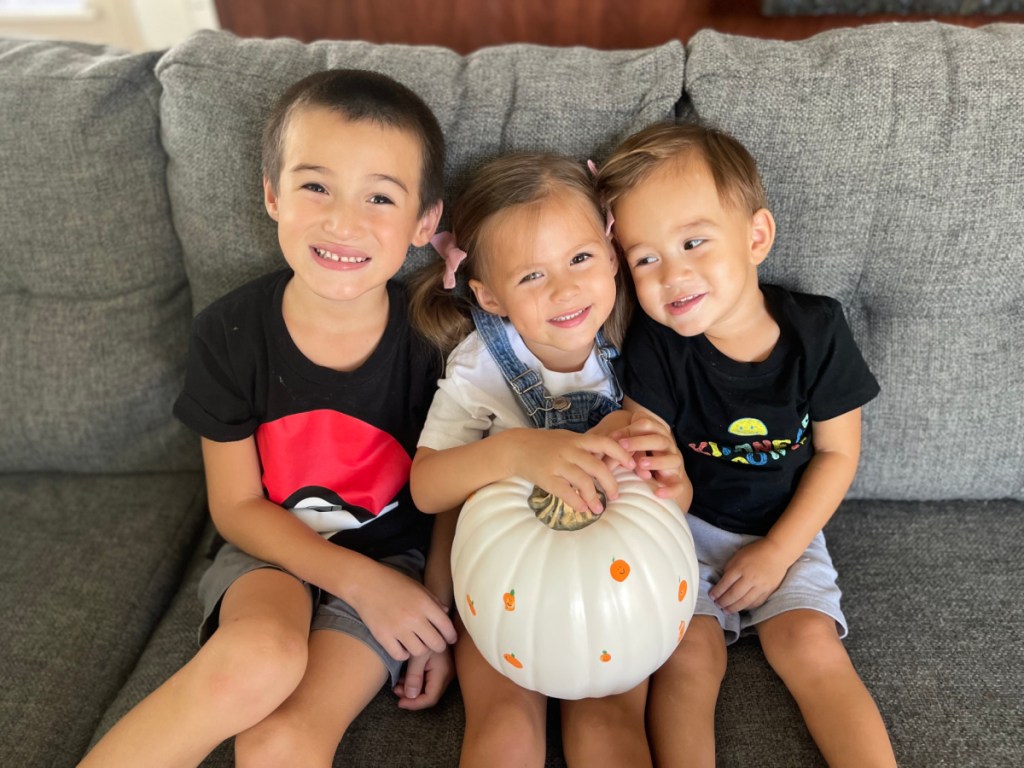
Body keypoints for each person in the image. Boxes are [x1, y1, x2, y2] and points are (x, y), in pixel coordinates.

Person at [79, 69, 457, 768]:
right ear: (272, 195)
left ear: (423, 223)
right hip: (265, 550)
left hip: (395, 563)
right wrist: (355, 581)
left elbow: (454, 495)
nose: (344, 220)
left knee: (280, 739)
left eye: (380, 196)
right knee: (258, 657)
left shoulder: (436, 341)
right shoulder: (228, 333)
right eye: (316, 186)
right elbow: (237, 506)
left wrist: (436, 616)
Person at [596, 122, 898, 767]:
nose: (672, 274)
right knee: (687, 659)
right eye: (645, 258)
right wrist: (667, 489)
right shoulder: (658, 347)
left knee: (810, 646)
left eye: (694, 242)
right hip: (684, 528)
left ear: (756, 237)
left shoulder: (816, 331)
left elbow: (840, 455)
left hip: (787, 527)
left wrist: (777, 552)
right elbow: (645, 466)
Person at [407, 152, 687, 768]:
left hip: (618, 593)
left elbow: (672, 506)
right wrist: (512, 450)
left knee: (610, 731)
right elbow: (427, 489)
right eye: (531, 277)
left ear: (611, 254)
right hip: (502, 589)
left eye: (580, 259)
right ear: (490, 295)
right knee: (504, 731)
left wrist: (674, 472)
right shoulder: (482, 365)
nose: (564, 289)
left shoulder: (643, 346)